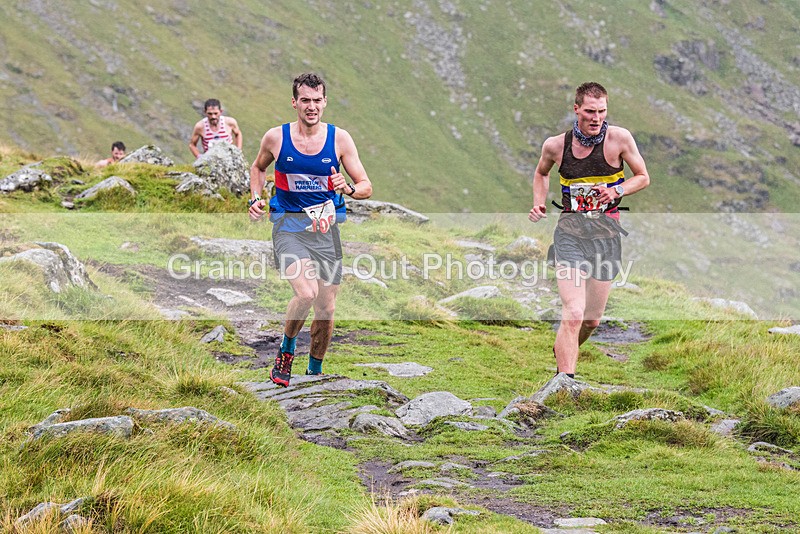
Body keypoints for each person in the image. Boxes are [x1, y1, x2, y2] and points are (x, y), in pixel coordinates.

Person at [248, 72, 372, 387]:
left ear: (325, 102)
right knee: (306, 293)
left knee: (326, 308)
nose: (311, 107)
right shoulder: (276, 137)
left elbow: (366, 186)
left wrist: (349, 189)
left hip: (325, 230)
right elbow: (258, 168)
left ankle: (314, 373)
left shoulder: (339, 139)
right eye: (305, 100)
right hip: (288, 227)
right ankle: (286, 350)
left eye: (317, 100)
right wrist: (255, 197)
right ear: (294, 102)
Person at [528, 82, 650, 377]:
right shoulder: (556, 145)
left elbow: (643, 177)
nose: (596, 118)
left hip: (606, 237)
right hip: (570, 236)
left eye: (602, 111)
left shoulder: (619, 139)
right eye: (590, 112)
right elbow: (541, 173)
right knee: (573, 311)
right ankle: (565, 381)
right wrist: (539, 202)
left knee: (591, 321)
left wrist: (617, 190)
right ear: (577, 110)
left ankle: (565, 348)